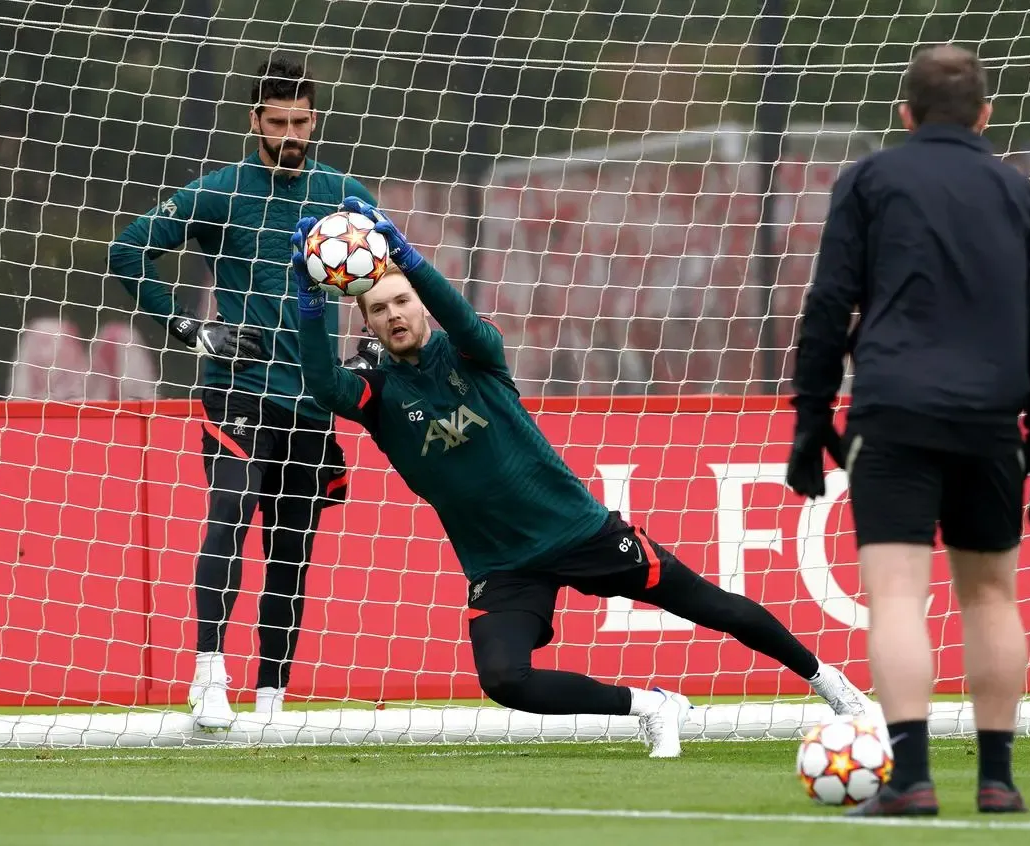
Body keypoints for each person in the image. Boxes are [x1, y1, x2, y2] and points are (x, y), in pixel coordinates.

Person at [292, 196, 870, 759]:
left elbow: (464, 321)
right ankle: (650, 706)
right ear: (365, 319)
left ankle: (831, 683)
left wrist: (409, 257)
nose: (394, 315)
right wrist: (310, 305)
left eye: (402, 301)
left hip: (578, 532)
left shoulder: (474, 354)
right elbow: (323, 387)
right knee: (503, 679)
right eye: (378, 309)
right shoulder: (378, 394)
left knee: (714, 607)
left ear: (421, 304)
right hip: (501, 564)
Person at [787, 44, 1030, 815]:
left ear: (904, 115)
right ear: (985, 115)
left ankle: (910, 780)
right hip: (989, 424)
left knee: (897, 597)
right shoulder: (1023, 196)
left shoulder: (871, 180)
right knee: (989, 597)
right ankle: (997, 779)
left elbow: (826, 304)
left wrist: (810, 417)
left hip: (895, 413)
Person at [108, 57, 383, 728]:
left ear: (314, 119)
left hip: (313, 395)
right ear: (254, 120)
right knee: (230, 510)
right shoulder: (220, 192)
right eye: (278, 121)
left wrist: (372, 346)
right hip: (236, 384)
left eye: (301, 121)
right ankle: (208, 676)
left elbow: (383, 272)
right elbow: (128, 248)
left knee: (291, 546)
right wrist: (188, 327)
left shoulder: (345, 193)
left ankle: (271, 700)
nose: (291, 133)